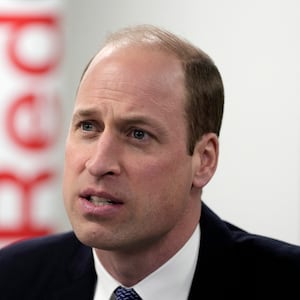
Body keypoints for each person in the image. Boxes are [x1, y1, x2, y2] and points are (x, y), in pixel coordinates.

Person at [0, 24, 300, 300]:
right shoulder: (13, 278)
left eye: (138, 134)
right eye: (88, 126)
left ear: (204, 160)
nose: (98, 163)